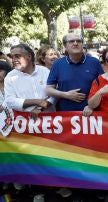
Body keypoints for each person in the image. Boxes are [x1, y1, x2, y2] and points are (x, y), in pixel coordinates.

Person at [4, 43, 55, 202]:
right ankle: (36, 190)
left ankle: (55, 187)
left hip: (50, 124)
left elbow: (53, 92)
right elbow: (10, 101)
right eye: (12, 56)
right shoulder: (10, 77)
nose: (13, 59)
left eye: (17, 56)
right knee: (32, 159)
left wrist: (42, 107)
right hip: (25, 127)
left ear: (29, 57)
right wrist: (37, 102)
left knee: (50, 157)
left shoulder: (45, 71)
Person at [46, 33, 104, 112]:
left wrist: (91, 106)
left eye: (79, 41)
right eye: (71, 41)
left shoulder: (94, 62)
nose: (75, 43)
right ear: (65, 46)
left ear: (82, 44)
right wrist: (66, 95)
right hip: (65, 115)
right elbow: (49, 89)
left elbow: (103, 87)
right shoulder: (58, 64)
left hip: (91, 113)